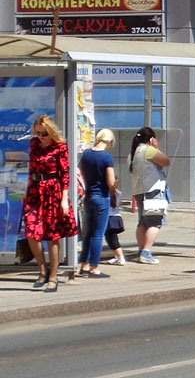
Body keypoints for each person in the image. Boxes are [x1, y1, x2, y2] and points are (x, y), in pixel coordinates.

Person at [22, 114, 79, 292]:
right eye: (38, 133)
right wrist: (26, 191)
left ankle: (53, 275)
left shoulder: (60, 147)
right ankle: (42, 269)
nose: (40, 137)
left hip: (53, 191)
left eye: (44, 133)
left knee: (53, 236)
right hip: (35, 190)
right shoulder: (34, 145)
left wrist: (64, 199)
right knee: (32, 232)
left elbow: (65, 175)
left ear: (52, 132)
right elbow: (31, 169)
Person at [78, 128, 117, 278]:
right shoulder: (107, 158)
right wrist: (114, 191)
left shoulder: (86, 154)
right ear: (110, 141)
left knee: (89, 234)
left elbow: (81, 173)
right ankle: (94, 267)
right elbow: (111, 182)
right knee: (98, 234)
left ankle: (84, 265)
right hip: (102, 198)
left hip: (89, 198)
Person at [130, 127, 170, 264]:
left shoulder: (133, 153)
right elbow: (166, 161)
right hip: (153, 189)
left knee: (143, 222)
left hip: (139, 191)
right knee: (154, 222)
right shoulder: (149, 150)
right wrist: (157, 147)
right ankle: (146, 252)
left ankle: (141, 250)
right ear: (151, 138)